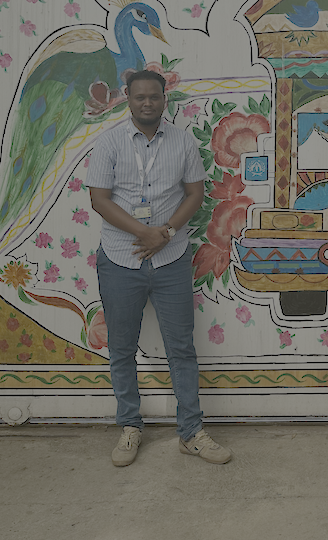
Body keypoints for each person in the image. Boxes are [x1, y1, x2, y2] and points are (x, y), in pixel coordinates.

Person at [87, 69, 232, 467]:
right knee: (120, 349)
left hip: (170, 259)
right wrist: (144, 233)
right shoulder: (110, 142)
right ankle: (130, 427)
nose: (147, 103)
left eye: (154, 96)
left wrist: (164, 233)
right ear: (128, 100)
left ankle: (191, 432)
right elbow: (99, 199)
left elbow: (195, 193)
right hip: (120, 259)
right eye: (140, 97)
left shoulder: (183, 141)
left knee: (181, 349)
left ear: (164, 99)